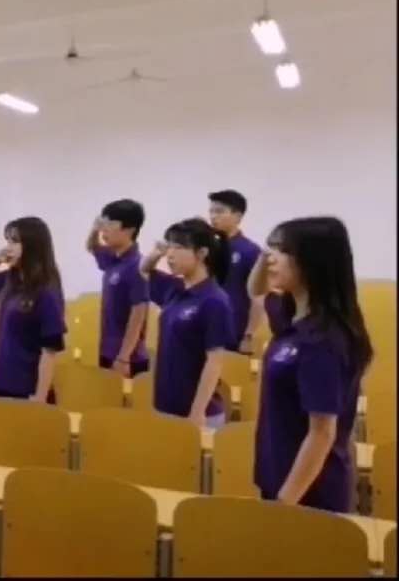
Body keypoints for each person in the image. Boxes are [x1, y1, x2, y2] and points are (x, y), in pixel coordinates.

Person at [247, 217, 372, 512]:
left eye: (283, 251)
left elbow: (322, 433)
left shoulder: (323, 340)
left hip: (309, 494)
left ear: (312, 262)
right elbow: (256, 290)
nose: (271, 258)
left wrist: (284, 503)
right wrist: (266, 257)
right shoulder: (289, 315)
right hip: (278, 476)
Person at [140, 218, 235, 428]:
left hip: (199, 414)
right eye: (169, 246)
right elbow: (144, 270)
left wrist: (197, 411)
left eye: (178, 247)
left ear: (201, 253)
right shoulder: (173, 288)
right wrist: (155, 254)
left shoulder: (214, 300)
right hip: (165, 406)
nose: (170, 254)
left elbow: (214, 362)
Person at [0, 217, 65, 402]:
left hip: (26, 387)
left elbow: (50, 350)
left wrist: (40, 397)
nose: (8, 248)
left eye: (15, 241)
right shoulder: (10, 280)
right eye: (7, 241)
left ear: (33, 245)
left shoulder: (46, 289)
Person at [85, 199, 150, 377]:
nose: (105, 229)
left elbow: (138, 314)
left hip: (129, 358)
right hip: (107, 350)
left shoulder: (138, 266)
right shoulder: (113, 259)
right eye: (104, 222)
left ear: (130, 229)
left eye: (111, 224)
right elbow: (92, 246)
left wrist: (124, 357)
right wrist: (95, 228)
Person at [208, 190, 264, 354]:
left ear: (238, 216)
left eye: (219, 211)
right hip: (206, 330)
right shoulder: (206, 248)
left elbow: (258, 298)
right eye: (211, 211)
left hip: (233, 333)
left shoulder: (250, 251)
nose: (213, 217)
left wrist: (249, 336)